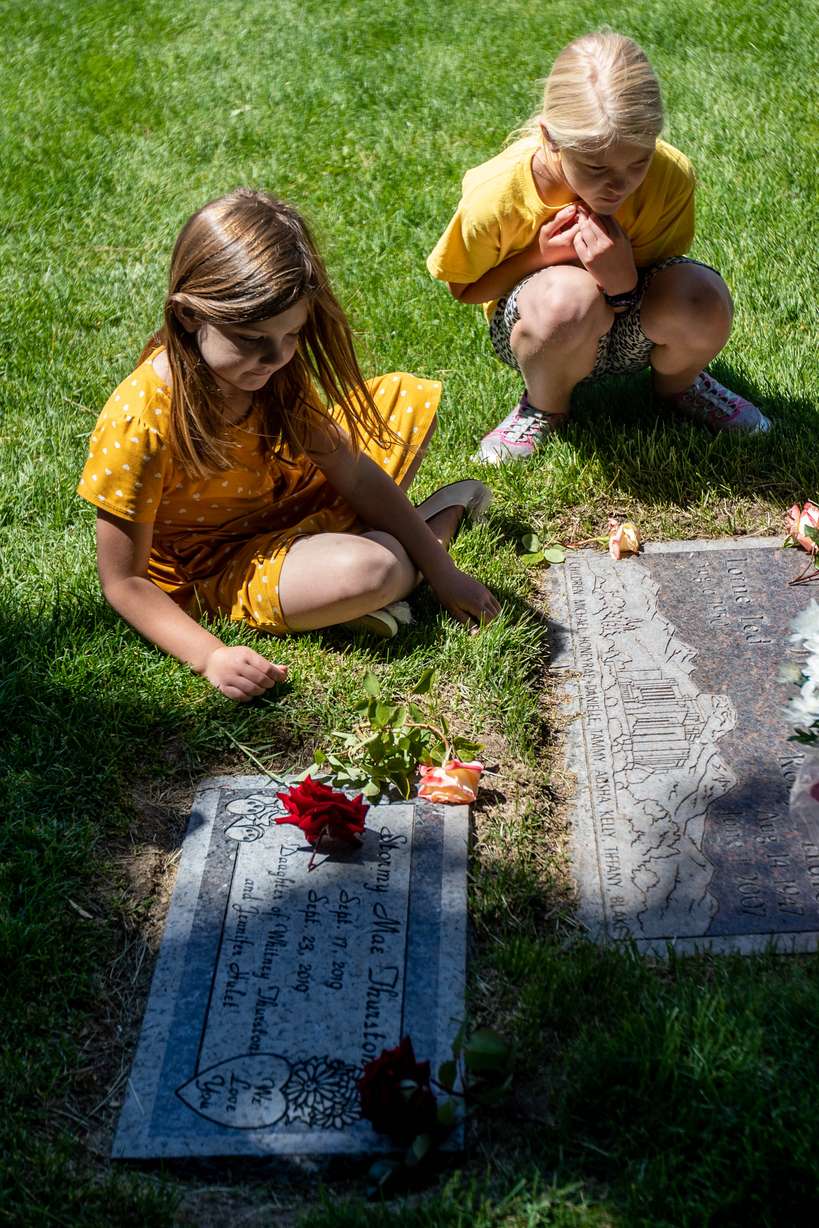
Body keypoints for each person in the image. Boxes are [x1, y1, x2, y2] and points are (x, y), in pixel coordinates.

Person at [78, 189, 500, 701]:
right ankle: (430, 524)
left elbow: (356, 473)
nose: (277, 356)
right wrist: (211, 654)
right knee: (376, 567)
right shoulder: (140, 420)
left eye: (293, 334)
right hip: (221, 562)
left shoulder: (273, 371)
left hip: (292, 495)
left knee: (402, 404)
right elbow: (123, 582)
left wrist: (443, 573)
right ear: (190, 316)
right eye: (253, 339)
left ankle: (362, 573)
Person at [427, 30, 771, 464]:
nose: (619, 184)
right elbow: (464, 289)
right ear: (550, 138)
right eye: (594, 166)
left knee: (701, 295)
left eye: (638, 162)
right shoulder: (496, 195)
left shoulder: (671, 178)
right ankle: (544, 405)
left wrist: (623, 283)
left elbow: (669, 273)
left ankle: (681, 385)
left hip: (631, 325)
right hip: (546, 328)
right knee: (567, 298)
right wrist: (540, 255)